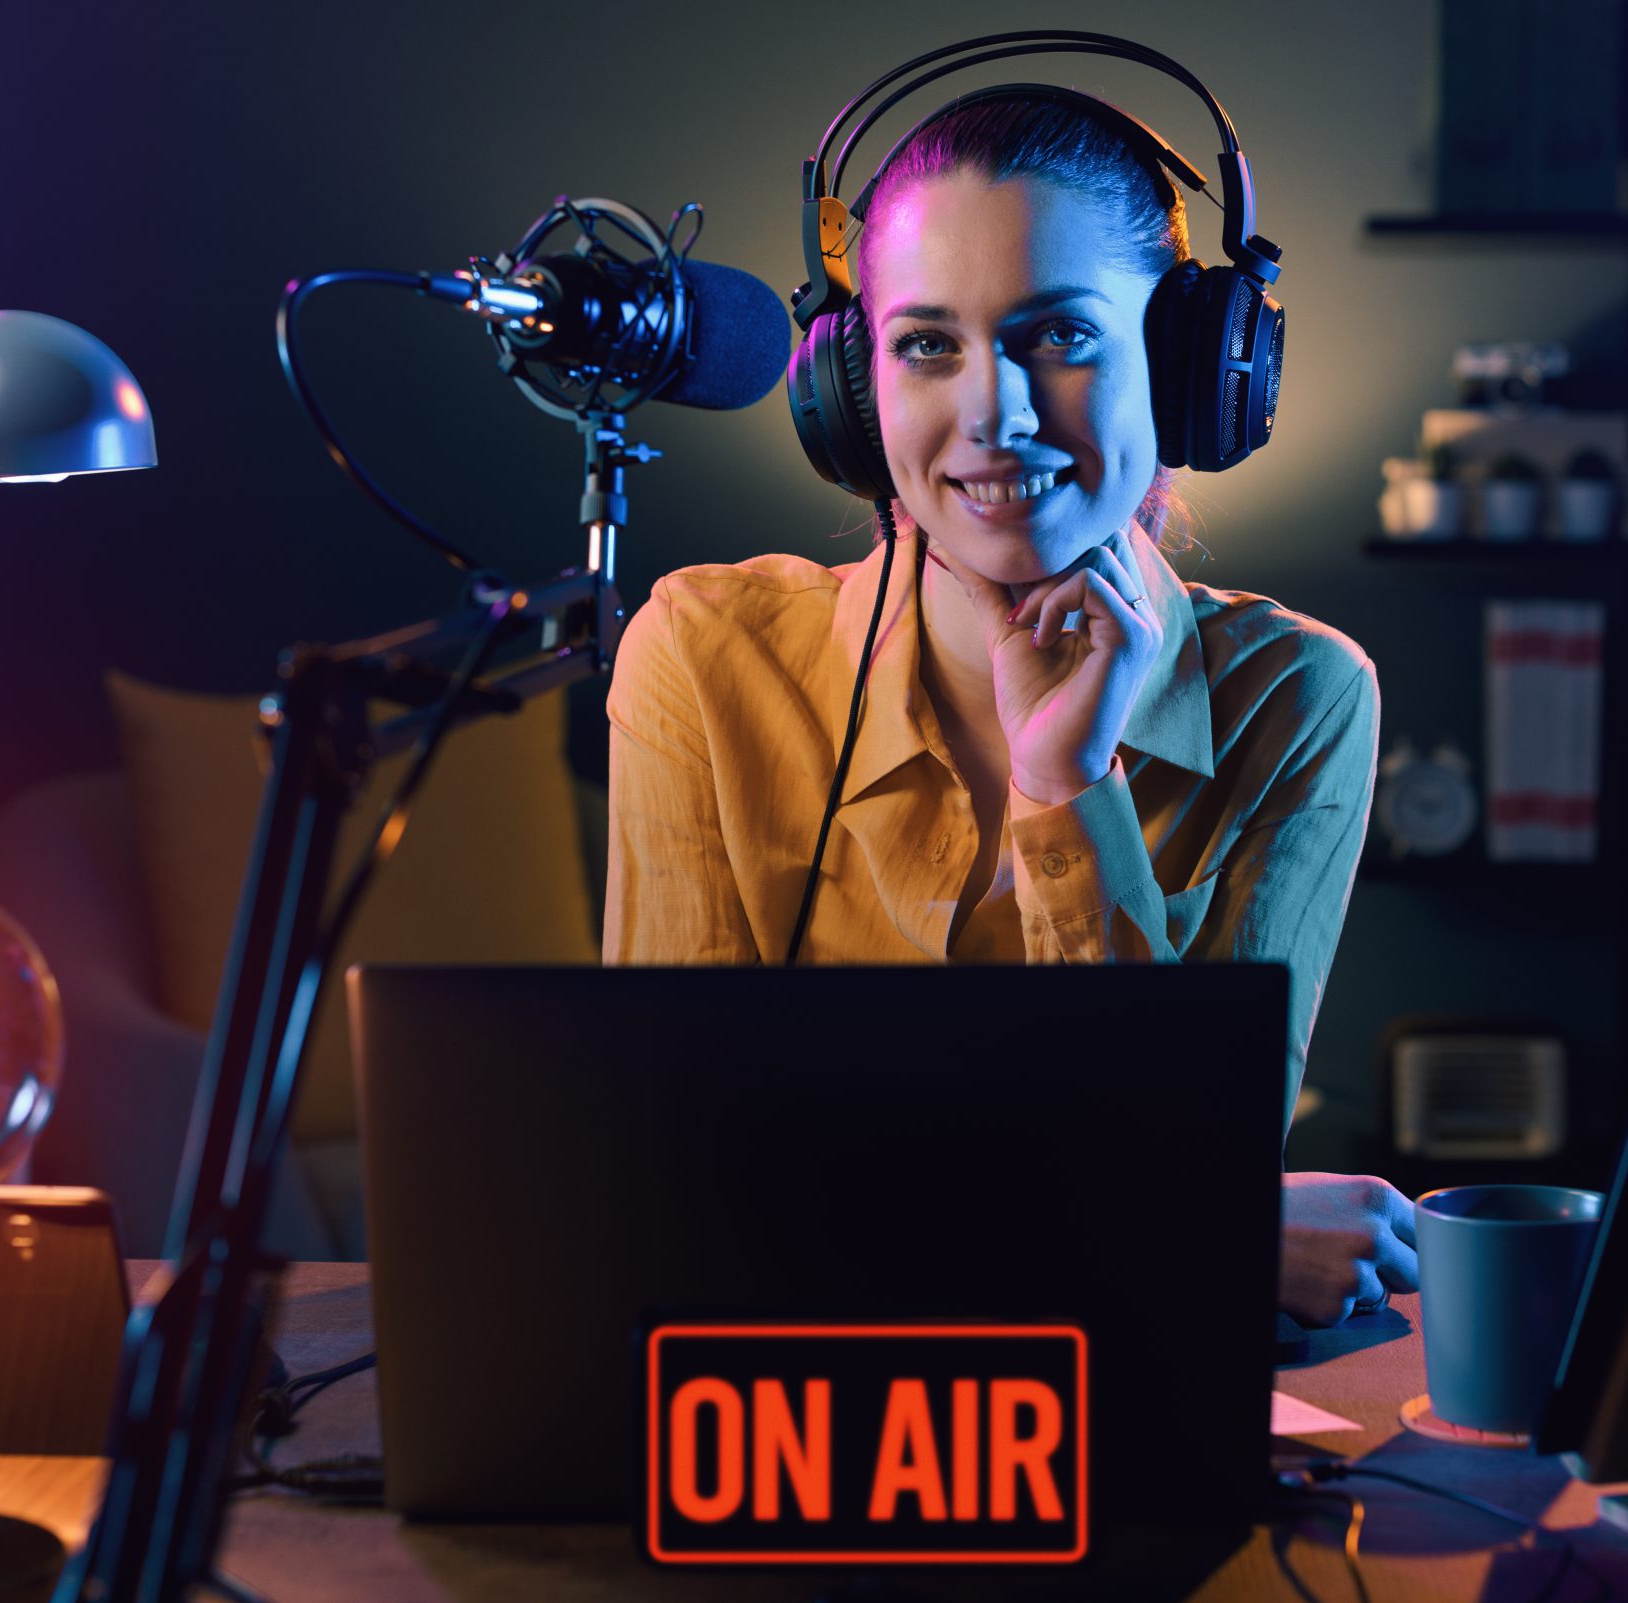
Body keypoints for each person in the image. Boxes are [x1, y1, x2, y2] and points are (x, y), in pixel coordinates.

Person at [603, 90, 1415, 1325]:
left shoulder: (1301, 698)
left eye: (1058, 336)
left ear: (1197, 369)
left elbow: (1178, 1154)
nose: (992, 411)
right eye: (927, 343)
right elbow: (673, 1182)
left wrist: (1065, 789)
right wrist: (1217, 1227)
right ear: (850, 390)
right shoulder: (703, 661)